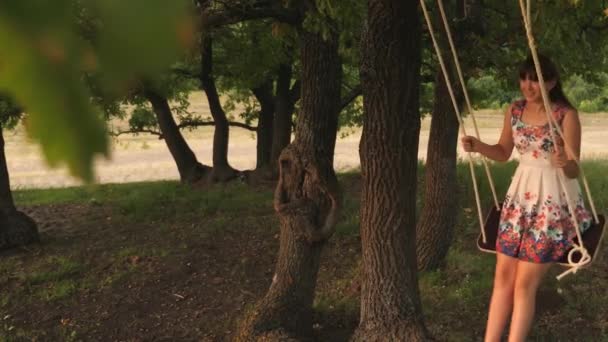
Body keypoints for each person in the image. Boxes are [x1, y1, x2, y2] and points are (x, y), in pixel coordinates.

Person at [461, 54, 592, 342]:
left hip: (552, 203)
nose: (528, 85)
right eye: (524, 78)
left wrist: (563, 161)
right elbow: (504, 152)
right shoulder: (515, 111)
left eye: (536, 79)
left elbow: (574, 170)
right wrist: (478, 146)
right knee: (503, 278)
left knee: (523, 284)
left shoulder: (565, 115)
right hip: (520, 201)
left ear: (552, 82)